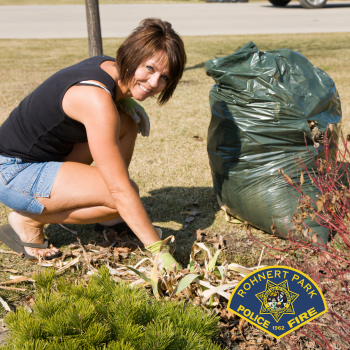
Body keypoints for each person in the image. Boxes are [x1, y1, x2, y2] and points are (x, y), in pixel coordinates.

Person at [0, 18, 186, 270]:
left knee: (127, 125)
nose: (154, 84)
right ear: (132, 56)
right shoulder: (97, 101)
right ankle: (29, 220)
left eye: (164, 77)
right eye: (150, 69)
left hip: (39, 160)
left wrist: (125, 100)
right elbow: (119, 189)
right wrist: (158, 251)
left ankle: (112, 217)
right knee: (119, 193)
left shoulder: (106, 64)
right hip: (12, 172)